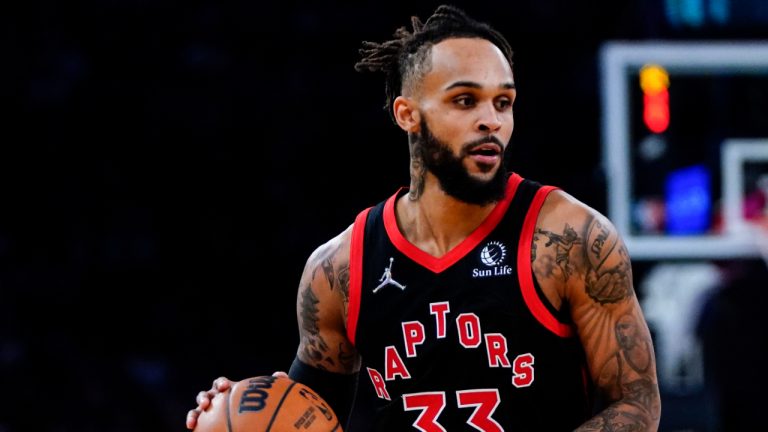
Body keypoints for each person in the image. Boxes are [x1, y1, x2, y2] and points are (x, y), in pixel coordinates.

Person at [186, 5, 661, 431]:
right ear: (407, 114)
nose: (491, 120)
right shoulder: (339, 270)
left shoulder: (568, 237)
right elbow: (308, 413)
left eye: (503, 102)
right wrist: (240, 408)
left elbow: (636, 403)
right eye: (464, 100)